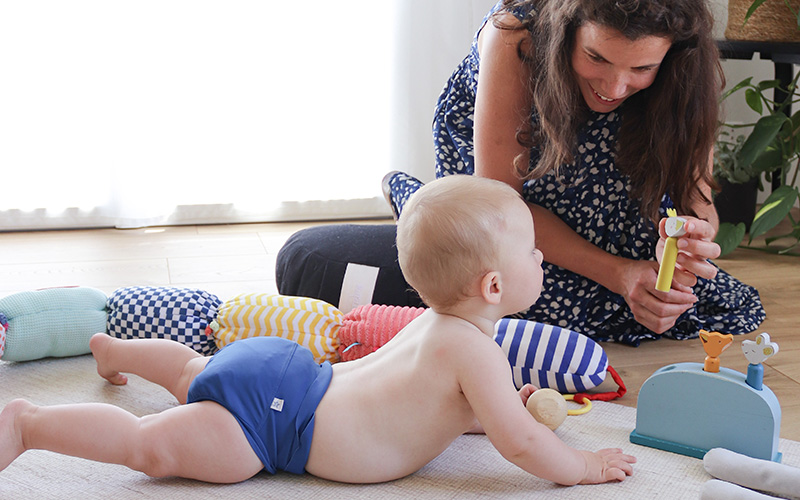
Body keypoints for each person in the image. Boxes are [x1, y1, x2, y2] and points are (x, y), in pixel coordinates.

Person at [0, 176, 636, 486]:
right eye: (532, 251)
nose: (542, 259)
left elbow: (444, 410)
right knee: (150, 447)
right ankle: (29, 424)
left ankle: (118, 350)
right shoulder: (475, 351)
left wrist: (499, 410)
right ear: (493, 288)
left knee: (200, 373)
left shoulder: (437, 327)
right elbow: (520, 443)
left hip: (281, 368)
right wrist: (584, 465)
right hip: (274, 427)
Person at [384, 0, 765, 345]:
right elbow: (501, 208)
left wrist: (690, 241)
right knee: (510, 300)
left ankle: (427, 213)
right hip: (506, 199)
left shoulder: (688, 65)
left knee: (693, 303)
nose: (614, 87)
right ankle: (425, 205)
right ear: (568, 30)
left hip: (606, 193)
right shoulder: (515, 37)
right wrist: (619, 273)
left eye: (643, 67)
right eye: (596, 57)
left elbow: (698, 205)